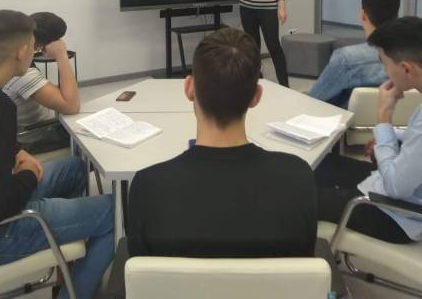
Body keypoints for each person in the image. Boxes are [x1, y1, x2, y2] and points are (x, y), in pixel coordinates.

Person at [128, 27, 316, 258]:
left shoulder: (148, 187)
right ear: (256, 96)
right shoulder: (298, 178)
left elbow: (137, 271)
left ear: (189, 88)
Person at [0, 10, 114, 299]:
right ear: (24, 51)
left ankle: (66, 265)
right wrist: (27, 175)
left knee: (75, 168)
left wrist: (17, 151)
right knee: (116, 211)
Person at [316, 16, 422, 244]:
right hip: (394, 190)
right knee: (321, 165)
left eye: (384, 64)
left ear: (406, 69)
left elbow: (395, 187)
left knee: (303, 196)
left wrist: (384, 118)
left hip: (399, 216)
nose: (384, 71)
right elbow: (416, 140)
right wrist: (389, 137)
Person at [309, 0, 400, 106]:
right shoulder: (413, 59)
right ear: (397, 17)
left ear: (363, 15)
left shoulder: (346, 59)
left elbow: (314, 99)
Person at [3, 12, 79, 152]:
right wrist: (61, 55)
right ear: (42, 45)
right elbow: (72, 107)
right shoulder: (22, 73)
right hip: (38, 135)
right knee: (88, 138)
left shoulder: (7, 59)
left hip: (42, 126)